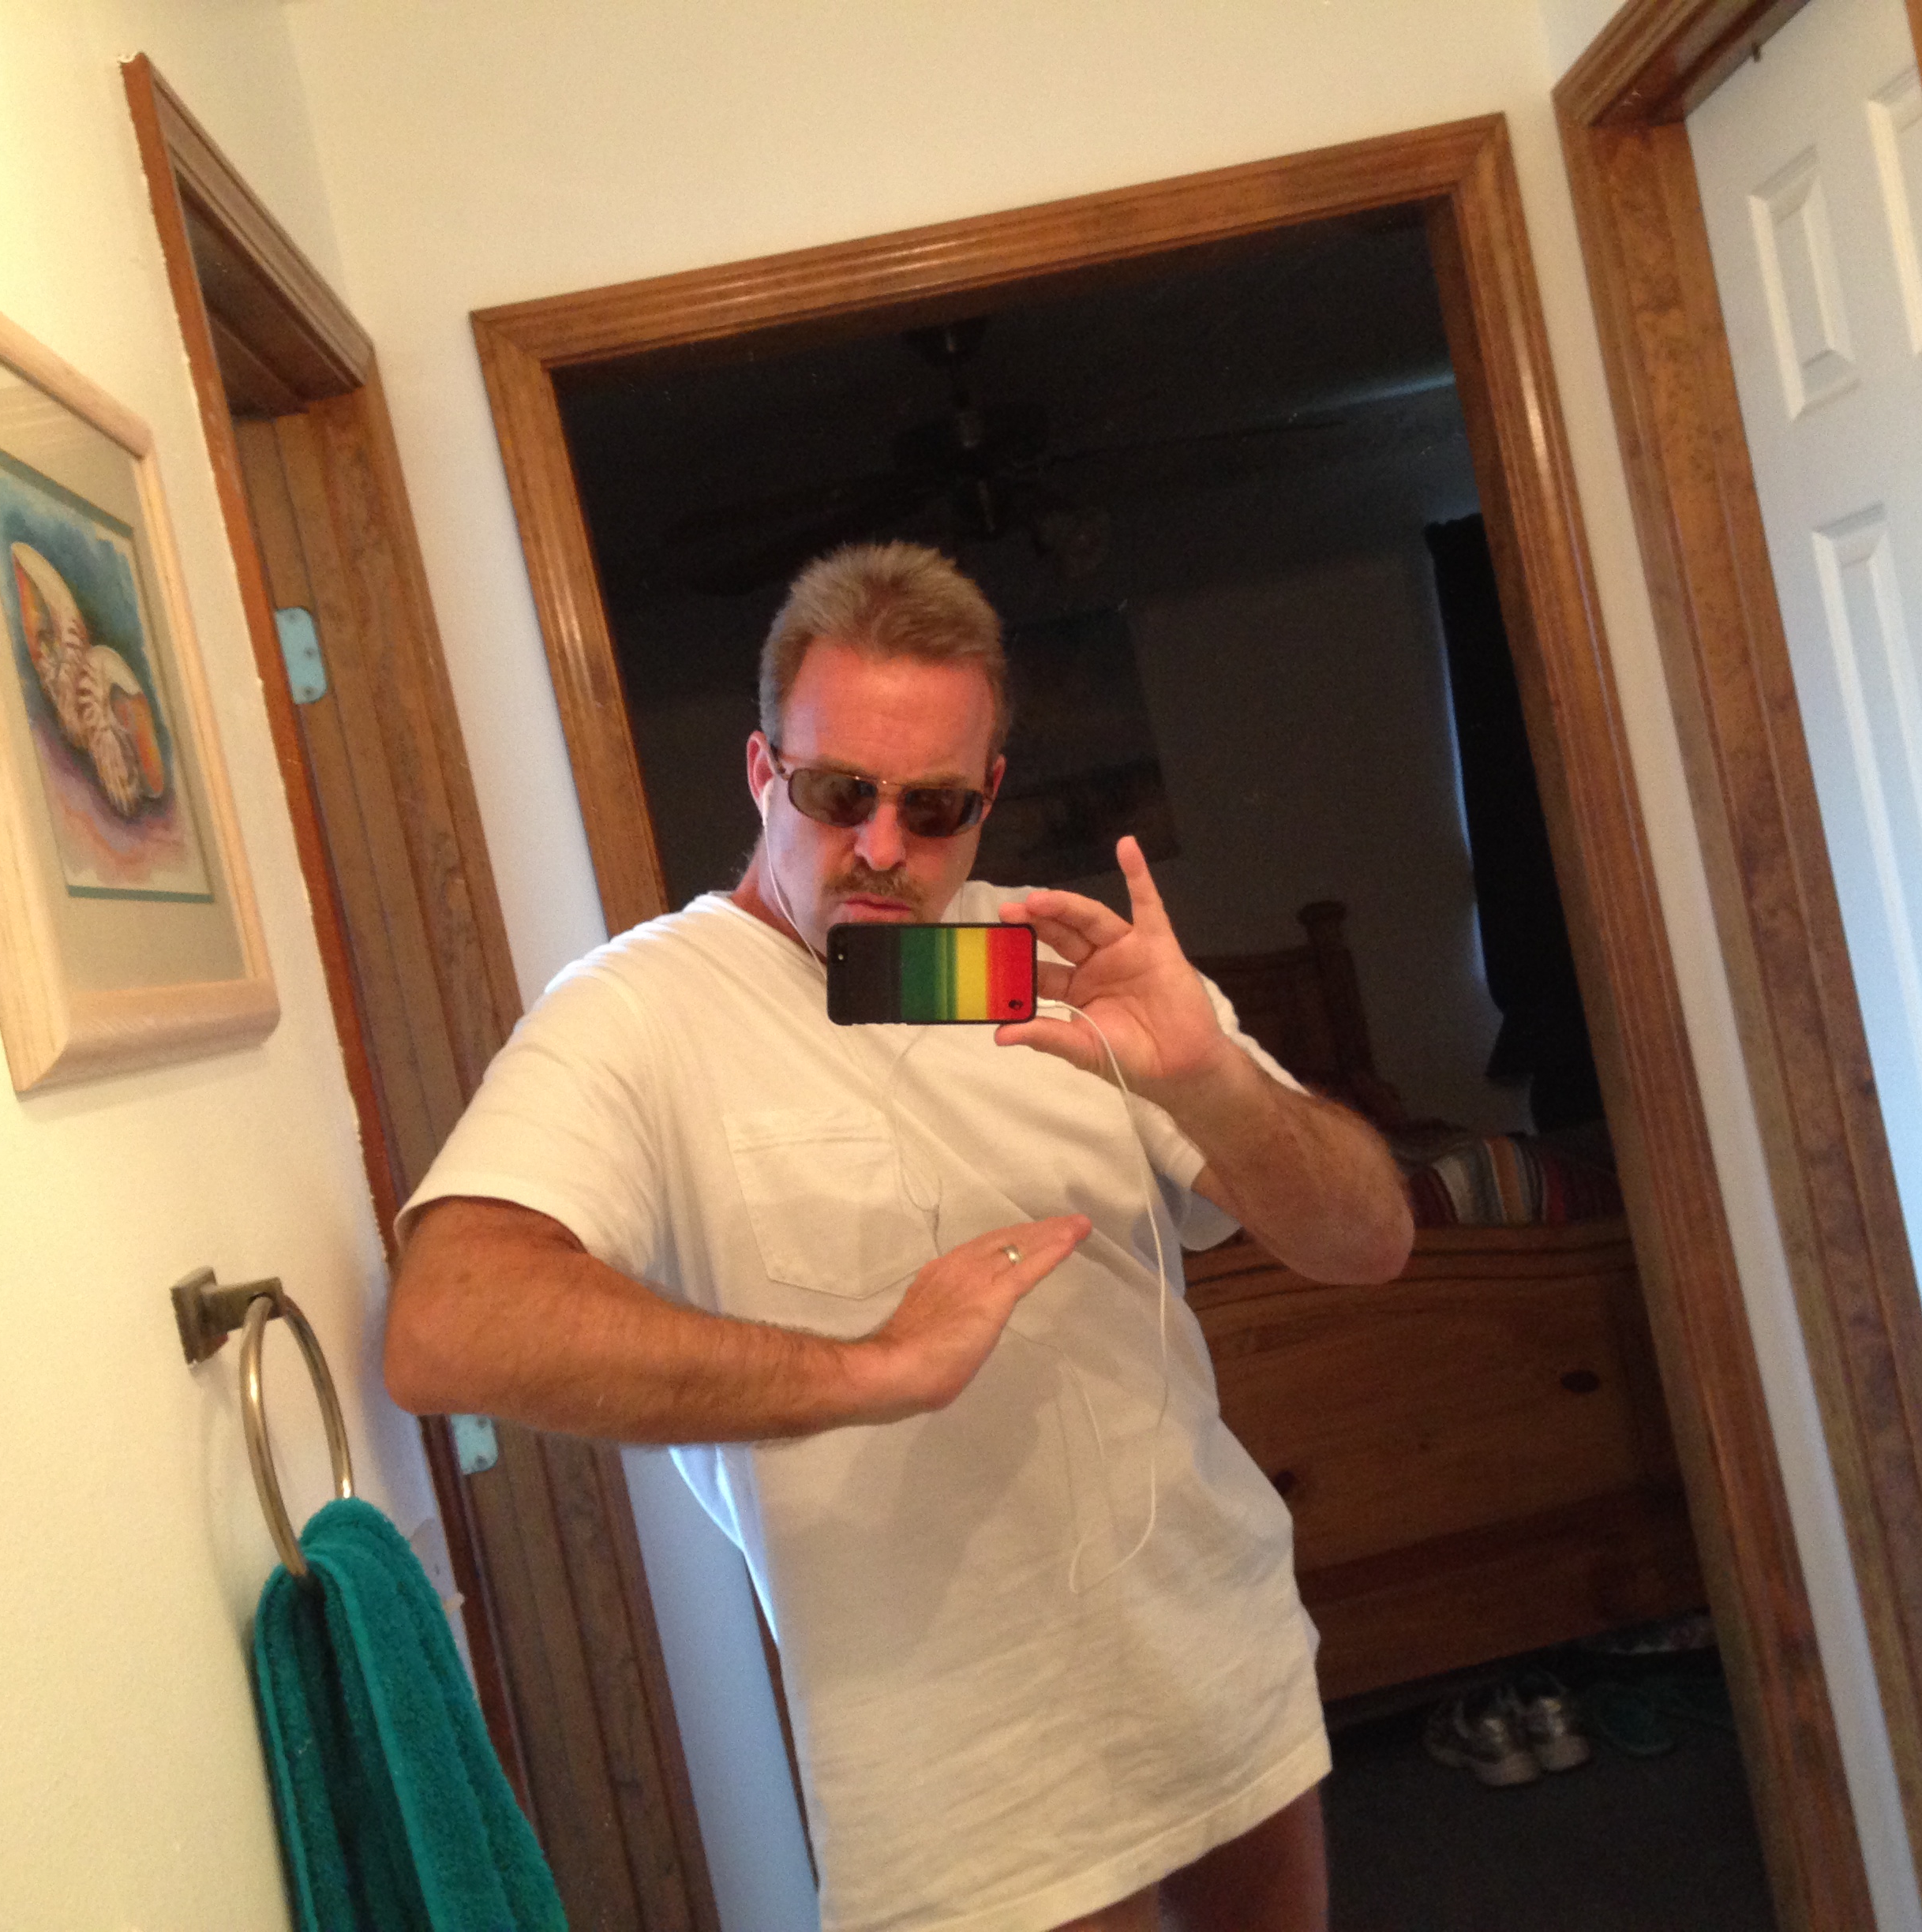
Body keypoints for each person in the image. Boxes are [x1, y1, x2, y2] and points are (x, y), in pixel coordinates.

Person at [388, 541, 1413, 1932]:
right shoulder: (641, 1010)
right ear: (764, 773)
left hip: (1222, 1660)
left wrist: (1211, 1080)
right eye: (837, 794)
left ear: (988, 795)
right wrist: (871, 1370)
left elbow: (1368, 1242)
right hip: (959, 1781)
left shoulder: (1061, 966)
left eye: (932, 808)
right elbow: (449, 1321)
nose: (881, 848)